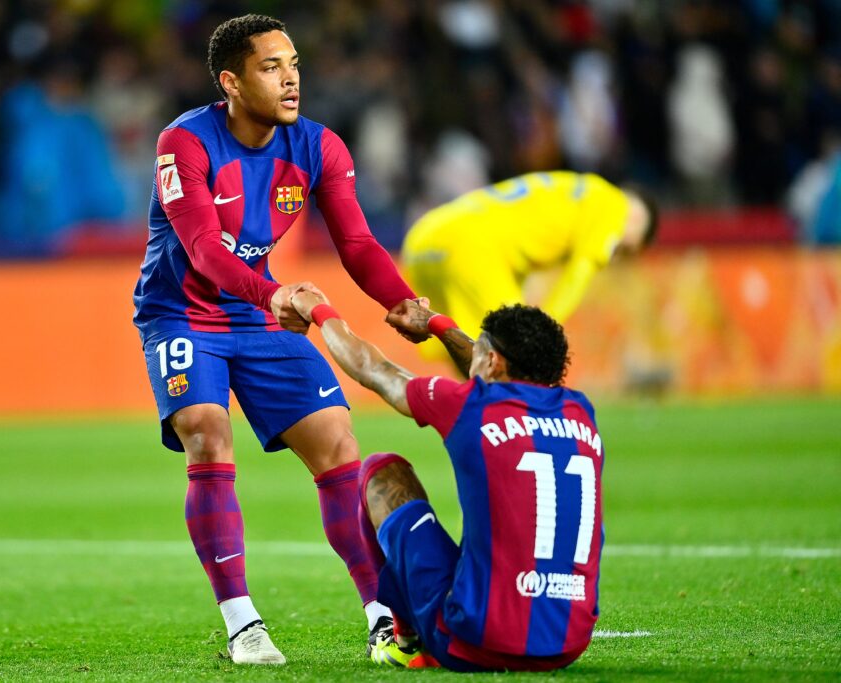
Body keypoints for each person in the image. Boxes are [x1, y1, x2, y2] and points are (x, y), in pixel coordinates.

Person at [131, 14, 424, 665]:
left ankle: (382, 616)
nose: (291, 78)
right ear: (231, 82)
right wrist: (276, 293)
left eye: (294, 64)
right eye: (271, 66)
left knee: (337, 442)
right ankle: (243, 625)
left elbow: (356, 242)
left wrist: (399, 301)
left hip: (260, 314)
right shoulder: (184, 142)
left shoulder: (319, 147)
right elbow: (204, 250)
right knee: (206, 428)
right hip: (182, 314)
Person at [288, 290, 604, 672]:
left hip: (475, 642)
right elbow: (491, 361)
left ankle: (405, 641)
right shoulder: (581, 413)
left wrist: (319, 310)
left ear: (492, 360)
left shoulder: (471, 404)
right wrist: (438, 324)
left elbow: (373, 370)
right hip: (567, 643)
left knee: (380, 471)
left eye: (479, 353)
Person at [401, 171, 658, 356]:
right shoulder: (615, 206)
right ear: (637, 219)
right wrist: (543, 327)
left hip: (425, 238)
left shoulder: (574, 191)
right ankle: (503, 425)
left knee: (469, 351)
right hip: (473, 247)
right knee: (515, 353)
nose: (616, 256)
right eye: (624, 250)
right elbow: (579, 274)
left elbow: (520, 244)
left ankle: (477, 418)